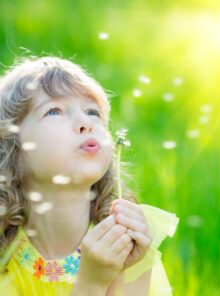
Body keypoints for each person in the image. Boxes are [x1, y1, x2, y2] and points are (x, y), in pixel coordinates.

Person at [0, 56, 179, 295]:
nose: (85, 122)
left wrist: (127, 269)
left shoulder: (129, 239)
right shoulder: (5, 259)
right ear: (11, 146)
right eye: (54, 111)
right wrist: (91, 284)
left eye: (93, 112)